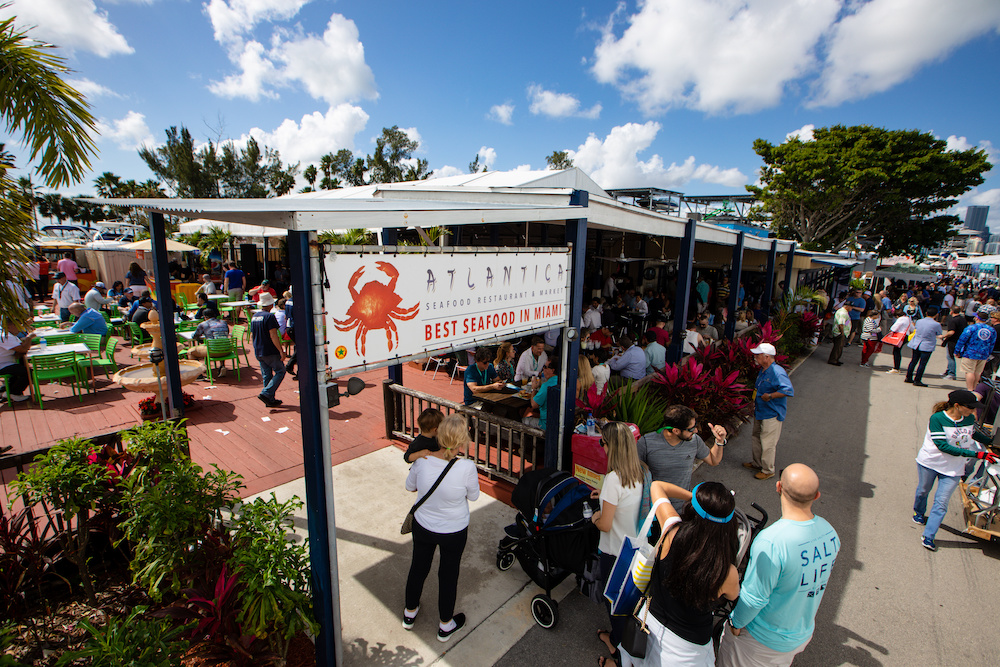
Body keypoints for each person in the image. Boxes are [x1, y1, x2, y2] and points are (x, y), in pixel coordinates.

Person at [717, 464, 840, 667]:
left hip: (760, 639)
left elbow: (754, 598)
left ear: (778, 487)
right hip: (799, 634)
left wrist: (735, 623)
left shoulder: (772, 541)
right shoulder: (830, 533)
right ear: (817, 496)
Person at [619, 481, 740, 667]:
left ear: (693, 509)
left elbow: (657, 487)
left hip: (648, 627)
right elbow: (733, 596)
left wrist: (697, 498)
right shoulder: (727, 572)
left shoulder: (671, 531)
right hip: (686, 653)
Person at [403, 413, 480, 642]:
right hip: (454, 530)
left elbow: (410, 486)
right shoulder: (466, 467)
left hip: (424, 525)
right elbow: (474, 496)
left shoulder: (422, 460)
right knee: (448, 574)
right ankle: (446, 624)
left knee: (418, 567)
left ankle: (409, 613)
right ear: (461, 441)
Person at [912, 390, 998, 551]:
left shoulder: (969, 419)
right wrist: (978, 454)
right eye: (970, 407)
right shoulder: (937, 419)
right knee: (923, 491)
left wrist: (991, 443)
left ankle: (929, 536)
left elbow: (973, 434)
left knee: (941, 503)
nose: (973, 410)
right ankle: (919, 511)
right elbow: (943, 446)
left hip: (953, 469)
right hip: (930, 463)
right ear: (957, 406)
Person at [592, 421, 648, 667]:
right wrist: (604, 498)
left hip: (614, 552)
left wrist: (595, 516)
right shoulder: (640, 471)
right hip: (634, 549)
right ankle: (616, 639)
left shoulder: (613, 479)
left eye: (602, 442)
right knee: (628, 601)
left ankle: (619, 653)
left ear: (611, 446)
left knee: (614, 603)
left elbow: (605, 524)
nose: (601, 446)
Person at [636, 405, 726, 510]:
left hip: (683, 506)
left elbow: (713, 460)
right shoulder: (646, 443)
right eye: (691, 429)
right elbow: (634, 475)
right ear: (676, 431)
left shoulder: (695, 441)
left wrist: (719, 441)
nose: (696, 430)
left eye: (695, 425)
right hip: (655, 506)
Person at [746, 343, 794, 481]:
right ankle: (757, 463)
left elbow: (788, 390)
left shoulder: (777, 372)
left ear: (766, 357)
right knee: (756, 437)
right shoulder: (763, 370)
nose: (755, 358)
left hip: (772, 413)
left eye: (758, 355)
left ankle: (768, 470)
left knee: (768, 442)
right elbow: (758, 388)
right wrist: (753, 402)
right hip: (760, 410)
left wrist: (771, 396)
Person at [250, 292, 286, 408]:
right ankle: (266, 393)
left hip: (259, 350)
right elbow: (273, 335)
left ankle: (269, 399)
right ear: (270, 304)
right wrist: (280, 350)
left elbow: (252, 334)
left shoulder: (254, 317)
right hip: (269, 350)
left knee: (267, 375)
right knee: (280, 371)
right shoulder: (269, 317)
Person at [954, 305, 998, 391]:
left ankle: (970, 389)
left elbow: (962, 340)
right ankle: (974, 388)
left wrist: (957, 350)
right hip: (983, 354)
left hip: (970, 353)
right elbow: (992, 343)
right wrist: (988, 354)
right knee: (977, 372)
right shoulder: (992, 330)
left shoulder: (972, 328)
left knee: (969, 371)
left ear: (977, 318)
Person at [186, 304, 231, 377]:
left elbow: (195, 336)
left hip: (213, 351)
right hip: (227, 350)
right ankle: (222, 366)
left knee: (190, 352)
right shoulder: (224, 322)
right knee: (220, 342)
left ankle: (198, 374)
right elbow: (227, 333)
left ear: (204, 317)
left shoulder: (203, 324)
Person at [904, 306, 943, 387]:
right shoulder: (936, 324)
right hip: (927, 345)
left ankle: (908, 377)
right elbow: (939, 333)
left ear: (926, 313)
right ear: (936, 315)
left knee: (913, 361)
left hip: (916, 343)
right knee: (922, 363)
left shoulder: (919, 321)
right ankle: (917, 380)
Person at [522, 356, 558, 431]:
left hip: (546, 424)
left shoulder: (546, 386)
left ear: (552, 370)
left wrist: (534, 388)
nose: (543, 369)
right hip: (557, 421)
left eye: (545, 367)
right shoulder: (560, 381)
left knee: (524, 419)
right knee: (528, 411)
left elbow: (534, 404)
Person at [0, 327, 35, 402]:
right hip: (3, 365)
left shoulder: (8, 334)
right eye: (18, 327)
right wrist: (29, 338)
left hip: (6, 362)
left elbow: (18, 352)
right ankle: (14, 393)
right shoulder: (5, 336)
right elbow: (22, 349)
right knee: (27, 372)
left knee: (20, 367)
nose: (19, 330)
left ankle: (5, 391)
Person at [885, 306, 916, 374]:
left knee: (896, 352)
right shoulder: (908, 319)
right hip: (905, 336)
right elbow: (912, 328)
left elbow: (894, 327)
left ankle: (896, 368)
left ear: (897, 315)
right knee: (898, 351)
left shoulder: (901, 319)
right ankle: (896, 367)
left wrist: (891, 330)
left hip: (900, 336)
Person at [941, 304, 967, 380]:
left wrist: (943, 336)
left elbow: (951, 332)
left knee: (950, 356)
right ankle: (948, 370)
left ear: (951, 311)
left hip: (952, 340)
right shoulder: (963, 319)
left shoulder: (953, 320)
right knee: (950, 356)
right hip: (960, 340)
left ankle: (951, 373)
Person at [827, 300, 852, 365]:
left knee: (839, 347)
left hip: (842, 332)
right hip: (839, 333)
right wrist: (842, 333)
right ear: (847, 306)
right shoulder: (842, 313)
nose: (852, 308)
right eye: (851, 307)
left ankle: (836, 359)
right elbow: (841, 324)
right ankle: (833, 360)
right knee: (838, 347)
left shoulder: (844, 312)